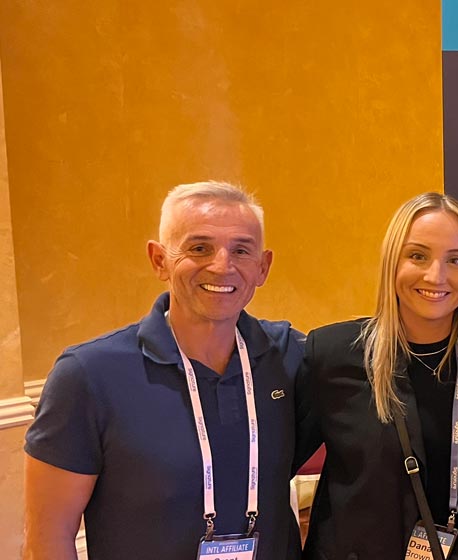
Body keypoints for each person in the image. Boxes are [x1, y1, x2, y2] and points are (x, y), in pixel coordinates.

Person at [23, 181, 303, 559]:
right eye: (199, 248)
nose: (222, 265)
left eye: (241, 250)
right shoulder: (89, 376)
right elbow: (48, 539)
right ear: (159, 260)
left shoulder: (289, 356)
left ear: (263, 267)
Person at [296, 192, 458, 560]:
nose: (436, 275)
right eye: (418, 256)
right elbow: (273, 466)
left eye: (455, 260)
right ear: (393, 261)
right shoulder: (332, 355)